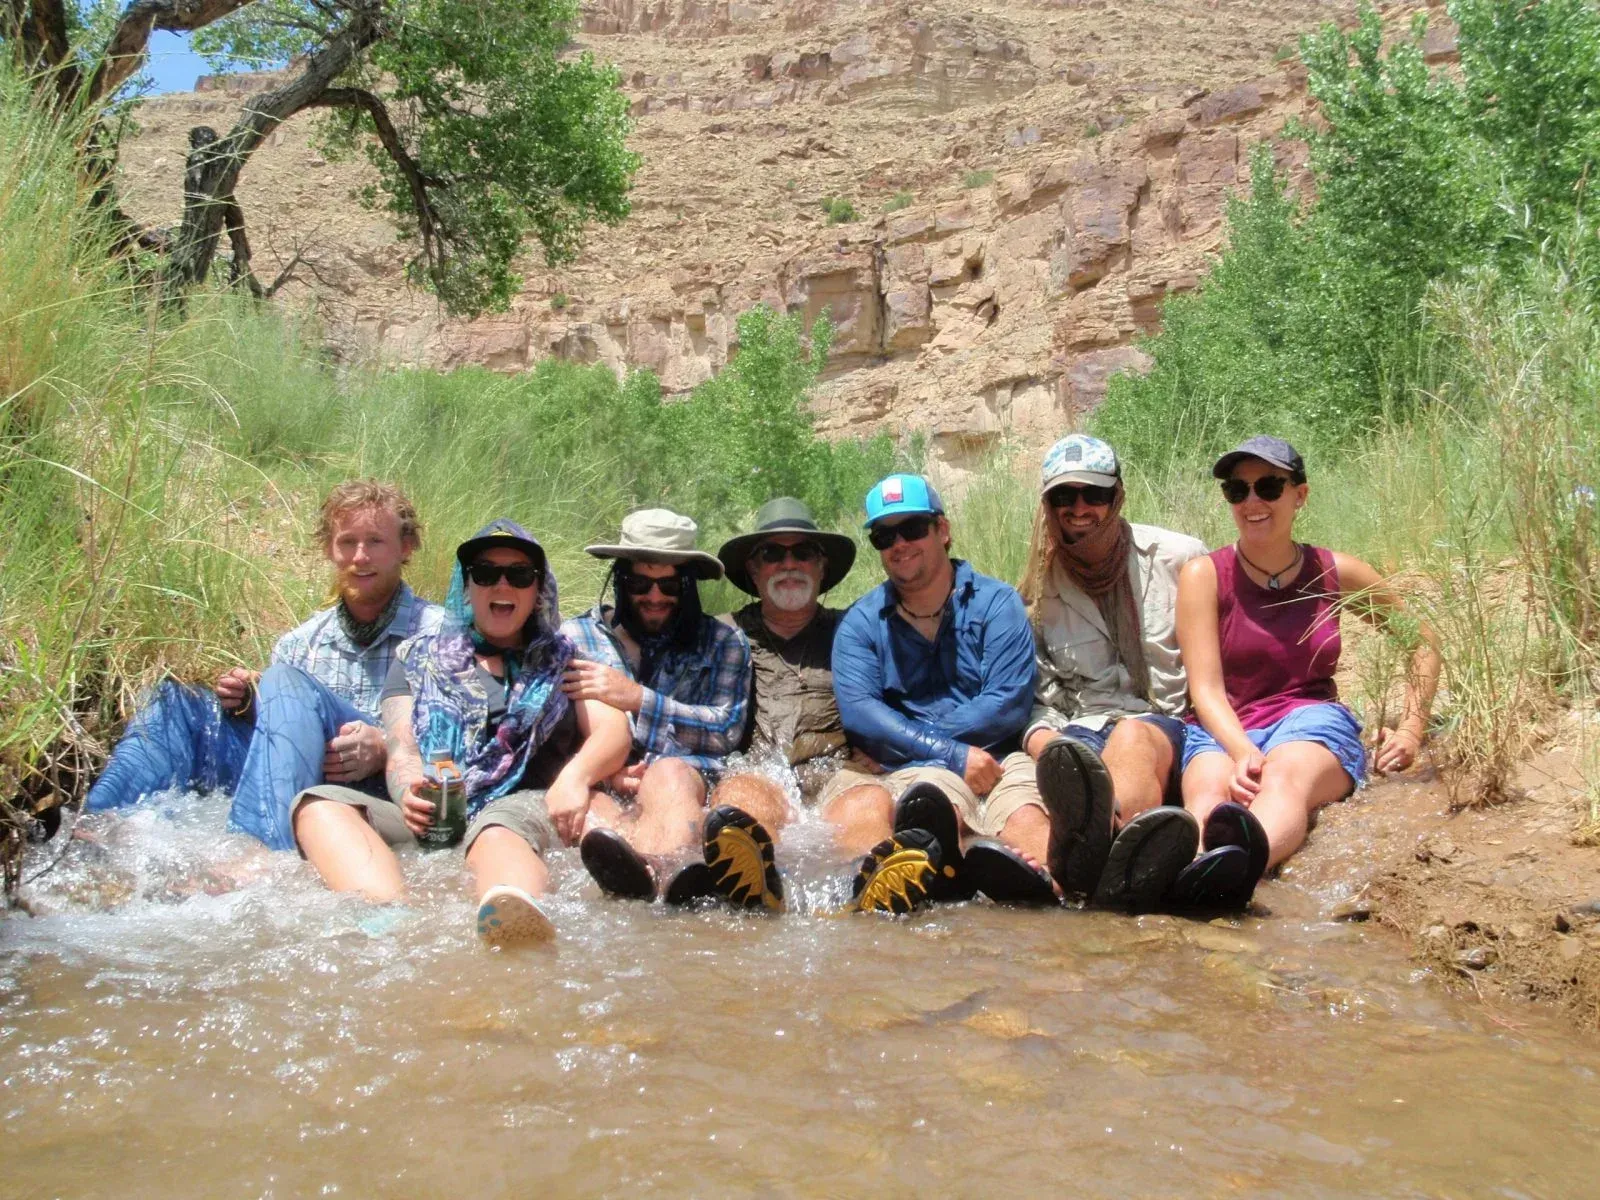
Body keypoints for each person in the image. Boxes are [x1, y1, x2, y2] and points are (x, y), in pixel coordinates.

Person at [290, 520, 632, 945]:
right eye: (485, 573)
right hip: (441, 809)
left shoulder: (564, 661)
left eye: (519, 575)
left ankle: (515, 916)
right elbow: (400, 743)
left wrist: (575, 778)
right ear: (467, 586)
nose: (501, 585)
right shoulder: (418, 658)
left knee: (497, 829)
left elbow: (612, 731)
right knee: (318, 805)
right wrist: (408, 787)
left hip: (521, 805)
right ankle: (390, 917)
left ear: (537, 589)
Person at [85, 481, 446, 850]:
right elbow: (282, 743)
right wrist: (250, 703)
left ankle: (258, 855)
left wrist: (385, 746)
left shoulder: (441, 635)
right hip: (302, 775)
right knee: (174, 698)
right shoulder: (299, 643)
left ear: (406, 546)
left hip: (376, 793)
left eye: (375, 541)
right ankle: (98, 829)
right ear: (328, 548)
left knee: (285, 682)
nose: (360, 556)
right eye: (347, 542)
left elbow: (470, 743)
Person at [1174, 436, 1442, 907]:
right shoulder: (1203, 575)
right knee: (1208, 796)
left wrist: (1413, 728)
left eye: (1269, 487)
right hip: (1221, 728)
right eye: (1238, 491)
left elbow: (1421, 640)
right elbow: (1206, 689)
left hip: (1310, 721)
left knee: (1283, 777)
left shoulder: (1336, 572)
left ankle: (1236, 870)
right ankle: (1189, 881)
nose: (1252, 502)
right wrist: (1241, 752)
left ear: (1300, 494)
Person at [975, 433, 1208, 911]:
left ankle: (1109, 857)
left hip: (1161, 723)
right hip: (1076, 732)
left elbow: (1218, 661)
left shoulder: (1182, 560)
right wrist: (1043, 742)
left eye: (1094, 495)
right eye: (1063, 497)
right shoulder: (1033, 593)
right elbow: (1039, 696)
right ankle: (1061, 881)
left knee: (1131, 739)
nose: (1079, 509)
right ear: (1047, 505)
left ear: (1117, 495)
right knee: (1019, 784)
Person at [823, 473, 1038, 912]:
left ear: (942, 530)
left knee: (1028, 818)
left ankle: (1045, 885)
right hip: (895, 770)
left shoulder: (998, 604)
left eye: (913, 528)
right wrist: (947, 753)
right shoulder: (860, 625)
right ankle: (872, 896)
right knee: (862, 807)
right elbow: (861, 713)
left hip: (992, 758)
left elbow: (1008, 702)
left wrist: (916, 738)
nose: (899, 543)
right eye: (884, 536)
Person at [559, 510, 772, 910]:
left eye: (670, 584)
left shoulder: (724, 642)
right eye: (640, 582)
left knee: (668, 774)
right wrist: (606, 769)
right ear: (620, 580)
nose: (655, 596)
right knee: (589, 813)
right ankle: (641, 885)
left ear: (688, 586)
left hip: (686, 780)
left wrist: (639, 699)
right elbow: (554, 729)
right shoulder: (575, 638)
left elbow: (726, 728)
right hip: (604, 782)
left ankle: (665, 876)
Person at [705, 497, 859, 835]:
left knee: (871, 803)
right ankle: (753, 881)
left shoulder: (855, 631)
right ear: (753, 570)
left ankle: (874, 883)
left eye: (803, 553)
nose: (789, 564)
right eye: (772, 554)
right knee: (737, 802)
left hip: (839, 778)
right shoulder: (720, 636)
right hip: (758, 777)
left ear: (821, 567)